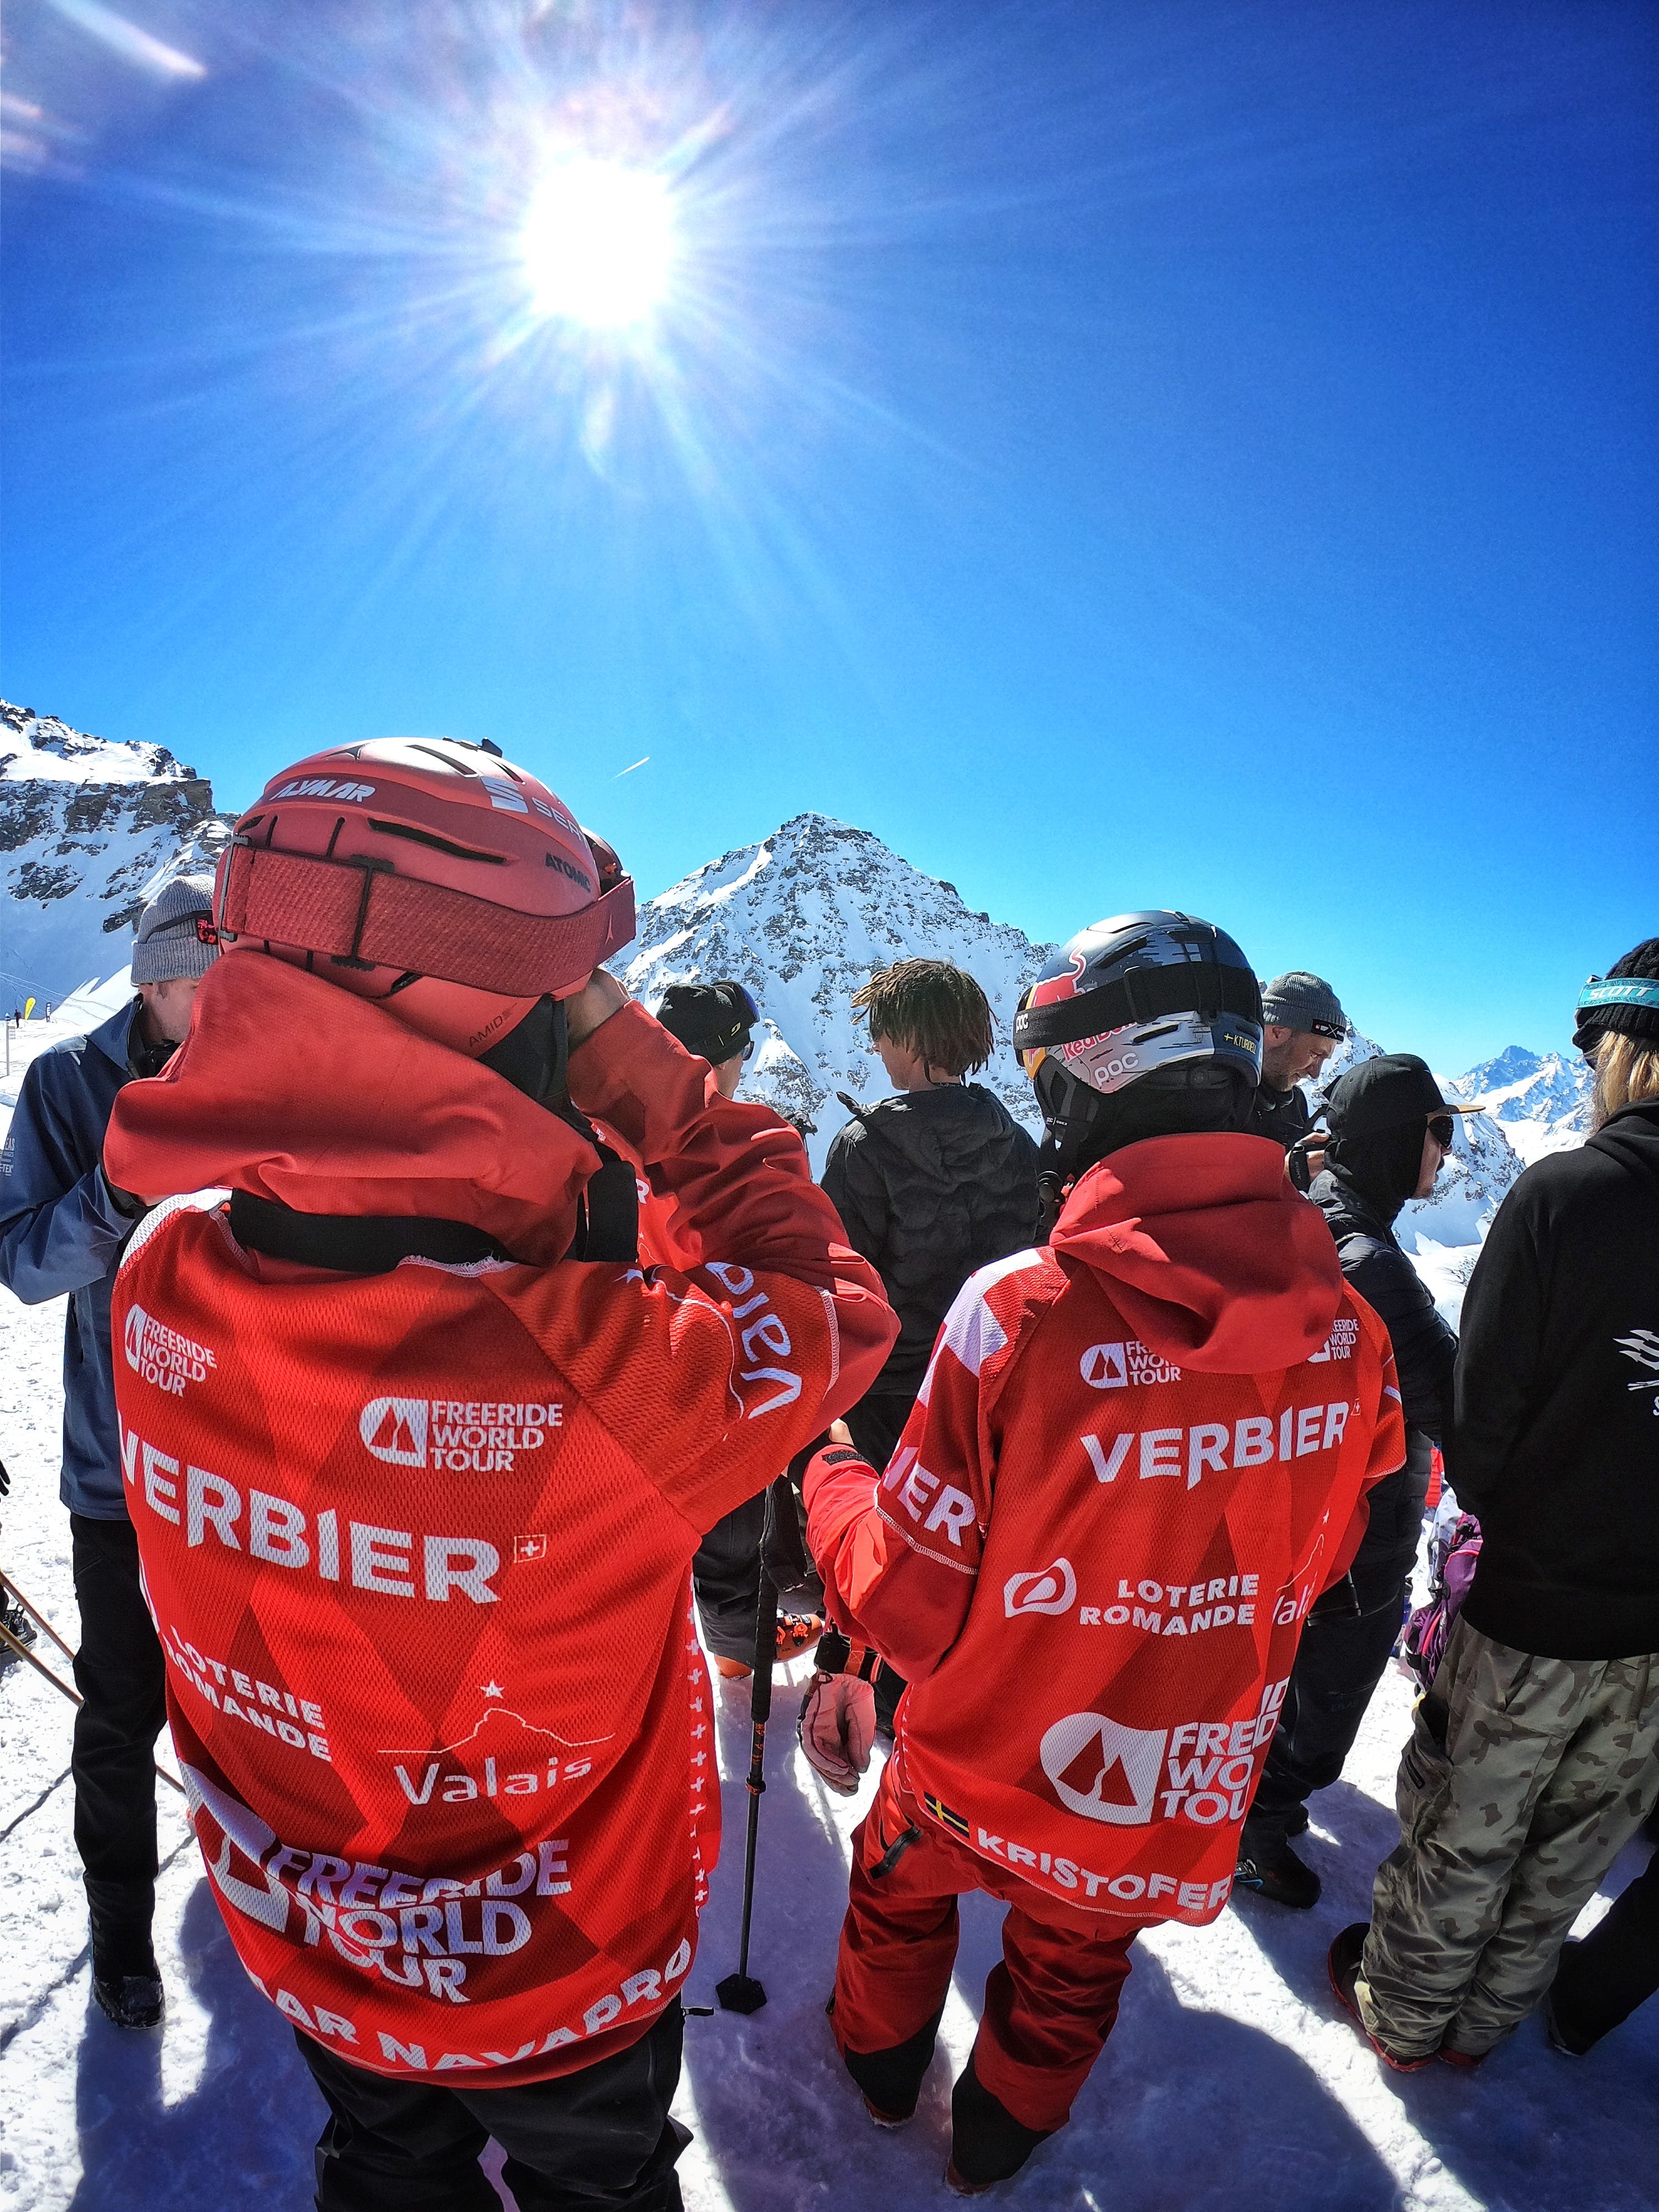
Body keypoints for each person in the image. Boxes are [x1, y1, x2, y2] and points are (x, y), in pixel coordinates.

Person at [102, 738, 895, 2212]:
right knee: (601, 2184)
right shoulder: (615, 1366)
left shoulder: (162, 1273)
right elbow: (825, 1297)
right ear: (521, 1020)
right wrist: (644, 1080)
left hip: (310, 1931)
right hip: (566, 1960)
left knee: (385, 2165)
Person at [799, 911, 1404, 2192]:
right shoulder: (1354, 1330)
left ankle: (878, 2071)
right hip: (1169, 1784)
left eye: (1047, 1072)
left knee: (898, 1892)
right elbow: (1327, 1549)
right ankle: (999, 2140)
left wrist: (831, 1472)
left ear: (1100, 1068)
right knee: (1076, 1957)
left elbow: (904, 1601)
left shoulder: (1020, 1309)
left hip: (982, 1757)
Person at [1329, 939, 1659, 2072]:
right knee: (1570, 1848)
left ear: (1625, 1050)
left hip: (1534, 1605)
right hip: (1653, 1638)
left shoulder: (1569, 1194)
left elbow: (1483, 1421)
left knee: (1466, 1827)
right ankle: (1487, 2023)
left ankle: (1406, 2016)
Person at [0, 874, 221, 2031]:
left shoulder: (265, 1073)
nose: (225, 1008)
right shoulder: (68, 1082)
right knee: (122, 1708)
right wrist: (120, 1189)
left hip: (250, 1476)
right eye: (204, 985)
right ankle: (122, 1933)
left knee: (250, 1710)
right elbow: (23, 1262)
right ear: (155, 981)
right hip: (120, 1472)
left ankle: (262, 1897)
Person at [1237, 1054, 1462, 1907]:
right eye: (1438, 1133)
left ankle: (1253, 1802)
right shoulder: (1370, 1261)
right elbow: (1454, 1402)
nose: (1445, 1153)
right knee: (1328, 1705)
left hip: (1302, 1513)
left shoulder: (1318, 1214)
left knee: (1285, 1678)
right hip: (1361, 1530)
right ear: (1401, 1140)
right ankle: (1255, 1827)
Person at [647, 980, 822, 1682]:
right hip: (721, 1352)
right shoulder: (746, 1142)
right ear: (724, 1059)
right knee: (732, 1512)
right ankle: (734, 1646)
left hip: (633, 1349)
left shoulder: (607, 1127)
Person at [822, 959, 1039, 1474]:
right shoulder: (1017, 1144)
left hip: (891, 1402)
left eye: (881, 1030)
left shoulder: (866, 1148)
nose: (876, 1045)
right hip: (998, 1385)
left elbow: (838, 1284)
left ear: (912, 1038)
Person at [1249, 972, 1349, 1188]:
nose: (1315, 1073)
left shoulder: (1295, 1102)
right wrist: (1286, 1174)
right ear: (1277, 1032)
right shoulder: (1216, 1094)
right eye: (1315, 1054)